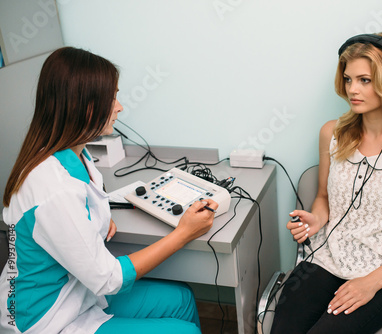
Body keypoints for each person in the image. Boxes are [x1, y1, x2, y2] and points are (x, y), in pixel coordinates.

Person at [0, 47, 218, 334]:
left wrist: (94, 218)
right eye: (112, 97)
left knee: (181, 299)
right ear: (86, 106)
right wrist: (184, 233)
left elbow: (77, 213)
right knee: (184, 331)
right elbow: (109, 279)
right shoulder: (52, 189)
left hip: (76, 292)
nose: (119, 107)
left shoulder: (75, 153)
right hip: (45, 320)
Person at [271, 33, 382, 333]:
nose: (352, 89)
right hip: (327, 256)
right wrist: (316, 219)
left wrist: (370, 283)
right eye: (348, 79)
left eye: (364, 80)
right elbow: (323, 197)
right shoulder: (331, 134)